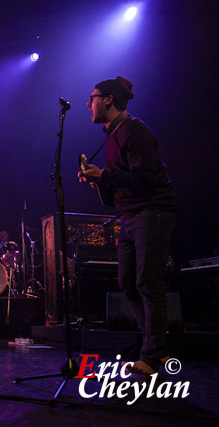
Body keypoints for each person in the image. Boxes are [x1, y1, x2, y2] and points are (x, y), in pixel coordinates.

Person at [78, 76, 176, 375]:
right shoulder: (111, 135)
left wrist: (104, 176)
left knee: (148, 283)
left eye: (92, 97)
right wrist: (97, 181)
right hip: (130, 215)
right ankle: (156, 349)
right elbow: (112, 197)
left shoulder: (135, 130)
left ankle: (151, 355)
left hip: (152, 212)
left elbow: (145, 179)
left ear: (108, 99)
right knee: (128, 284)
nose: (88, 103)